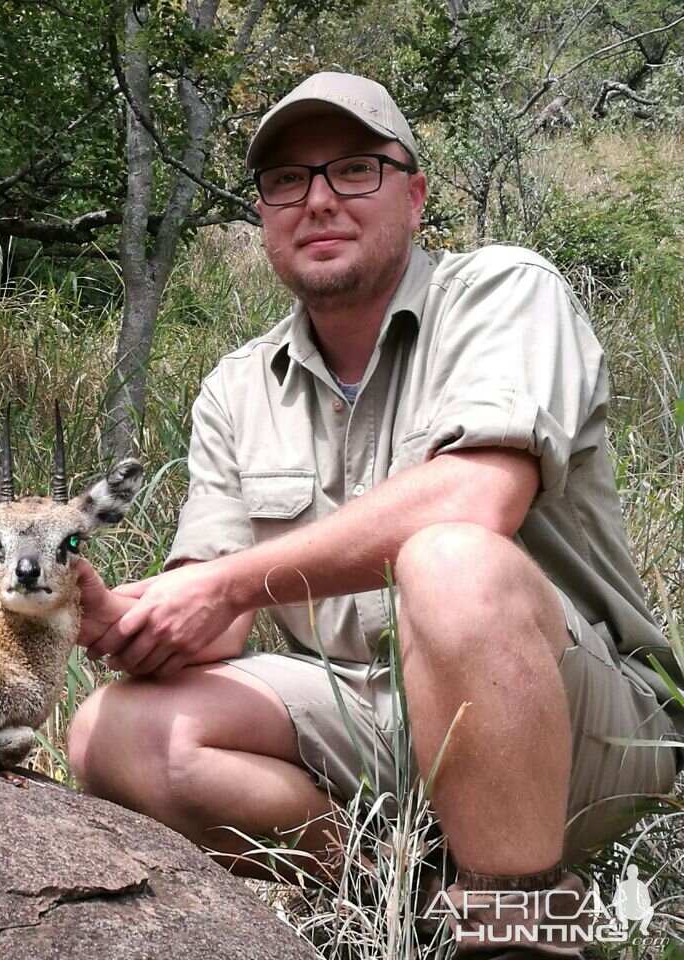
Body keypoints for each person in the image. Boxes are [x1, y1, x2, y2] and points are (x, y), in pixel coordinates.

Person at [67, 72, 680, 955]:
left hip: (575, 722)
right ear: (265, 215)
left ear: (415, 193)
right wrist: (118, 612)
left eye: (354, 170)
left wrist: (229, 586)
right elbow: (215, 617)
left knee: (452, 563)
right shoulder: (238, 386)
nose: (317, 201)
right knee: (114, 734)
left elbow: (478, 499)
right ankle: (416, 895)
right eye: (287, 180)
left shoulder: (506, 290)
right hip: (368, 719)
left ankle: (522, 931)